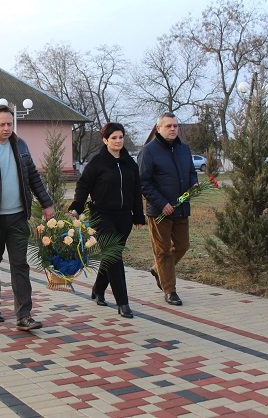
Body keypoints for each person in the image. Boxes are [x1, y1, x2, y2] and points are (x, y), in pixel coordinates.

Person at [0, 104, 54, 331]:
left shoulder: (20, 145)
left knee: (20, 265)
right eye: (2, 124)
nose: (6, 128)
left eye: (9, 124)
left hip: (18, 217)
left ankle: (24, 315)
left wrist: (46, 203)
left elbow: (33, 175)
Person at [68, 123, 145, 318]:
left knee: (111, 257)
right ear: (105, 140)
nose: (118, 141)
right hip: (101, 216)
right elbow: (83, 186)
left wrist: (138, 215)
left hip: (124, 217)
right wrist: (76, 207)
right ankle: (123, 302)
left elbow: (136, 190)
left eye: (120, 137)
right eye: (114, 138)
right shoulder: (97, 163)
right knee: (114, 256)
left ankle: (98, 289)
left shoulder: (130, 163)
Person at [138, 111, 198, 306]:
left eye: (175, 126)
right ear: (158, 128)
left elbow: (191, 172)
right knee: (163, 251)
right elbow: (143, 182)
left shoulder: (184, 149)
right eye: (168, 126)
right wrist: (161, 203)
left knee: (182, 246)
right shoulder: (148, 151)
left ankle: (158, 270)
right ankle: (170, 290)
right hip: (159, 212)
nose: (173, 129)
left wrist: (194, 184)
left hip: (181, 207)